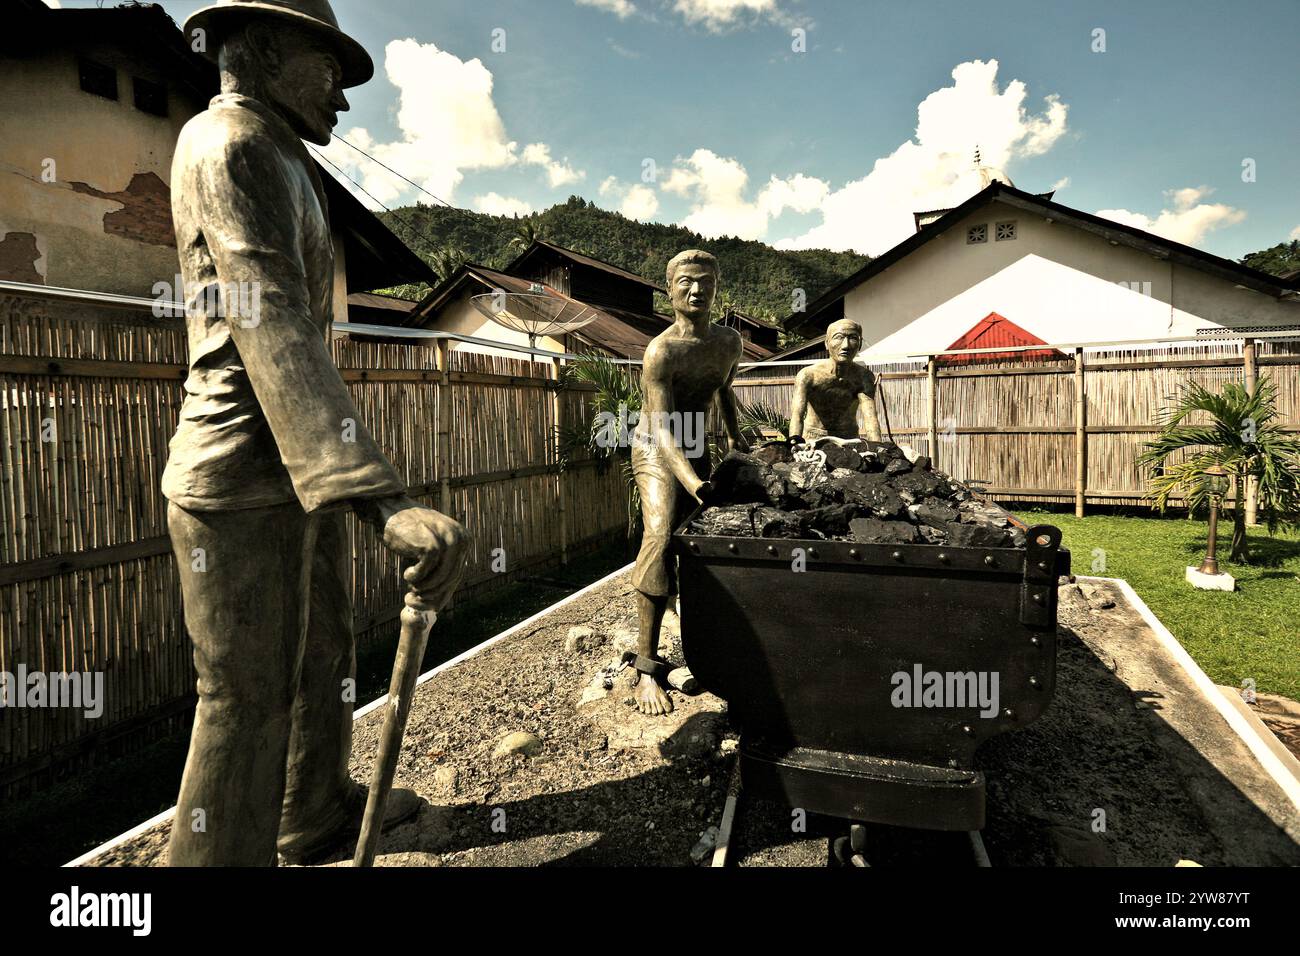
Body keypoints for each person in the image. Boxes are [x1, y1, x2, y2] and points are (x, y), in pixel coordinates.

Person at [164, 0, 468, 865]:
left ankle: (312, 810)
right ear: (259, 48)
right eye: (327, 66)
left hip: (293, 475)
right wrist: (385, 503)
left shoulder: (281, 152)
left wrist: (347, 490)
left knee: (320, 654)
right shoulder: (230, 144)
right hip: (235, 477)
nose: (341, 92)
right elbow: (274, 325)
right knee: (242, 698)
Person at [629, 250, 748, 716]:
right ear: (670, 290)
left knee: (697, 541)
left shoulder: (729, 343)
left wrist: (739, 440)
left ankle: (699, 635)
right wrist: (694, 481)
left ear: (716, 287)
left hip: (695, 442)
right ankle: (645, 667)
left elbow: (724, 391)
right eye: (686, 282)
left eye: (705, 282)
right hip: (655, 446)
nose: (696, 290)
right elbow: (661, 429)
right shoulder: (661, 351)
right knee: (659, 537)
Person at [788, 318, 882, 444]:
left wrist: (878, 448)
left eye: (853, 338)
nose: (846, 345)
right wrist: (794, 443)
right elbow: (797, 414)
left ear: (859, 345)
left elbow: (870, 417)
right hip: (813, 439)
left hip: (849, 440)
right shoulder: (808, 375)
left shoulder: (863, 377)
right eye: (838, 337)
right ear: (827, 343)